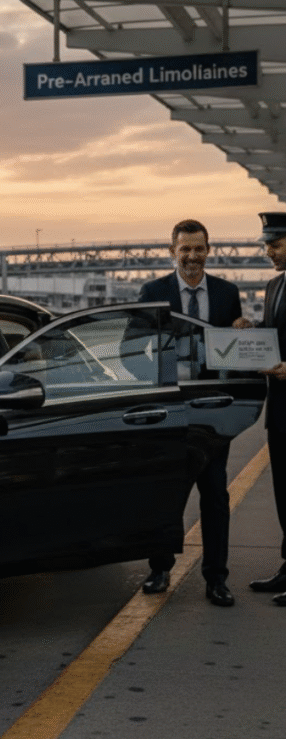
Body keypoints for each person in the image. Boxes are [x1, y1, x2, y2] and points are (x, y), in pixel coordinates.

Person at [138, 218, 246, 606]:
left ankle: (216, 578)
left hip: (213, 412)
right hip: (170, 409)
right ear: (173, 251)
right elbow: (133, 346)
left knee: (215, 495)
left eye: (199, 248)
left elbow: (233, 353)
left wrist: (242, 332)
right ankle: (159, 568)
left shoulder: (227, 293)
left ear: (208, 250)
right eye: (185, 249)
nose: (192, 256)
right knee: (167, 493)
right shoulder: (153, 292)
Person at [248, 212, 286, 604]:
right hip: (280, 410)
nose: (268, 252)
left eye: (275, 244)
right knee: (284, 493)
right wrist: (247, 333)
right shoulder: (274, 286)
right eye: (266, 245)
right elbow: (271, 338)